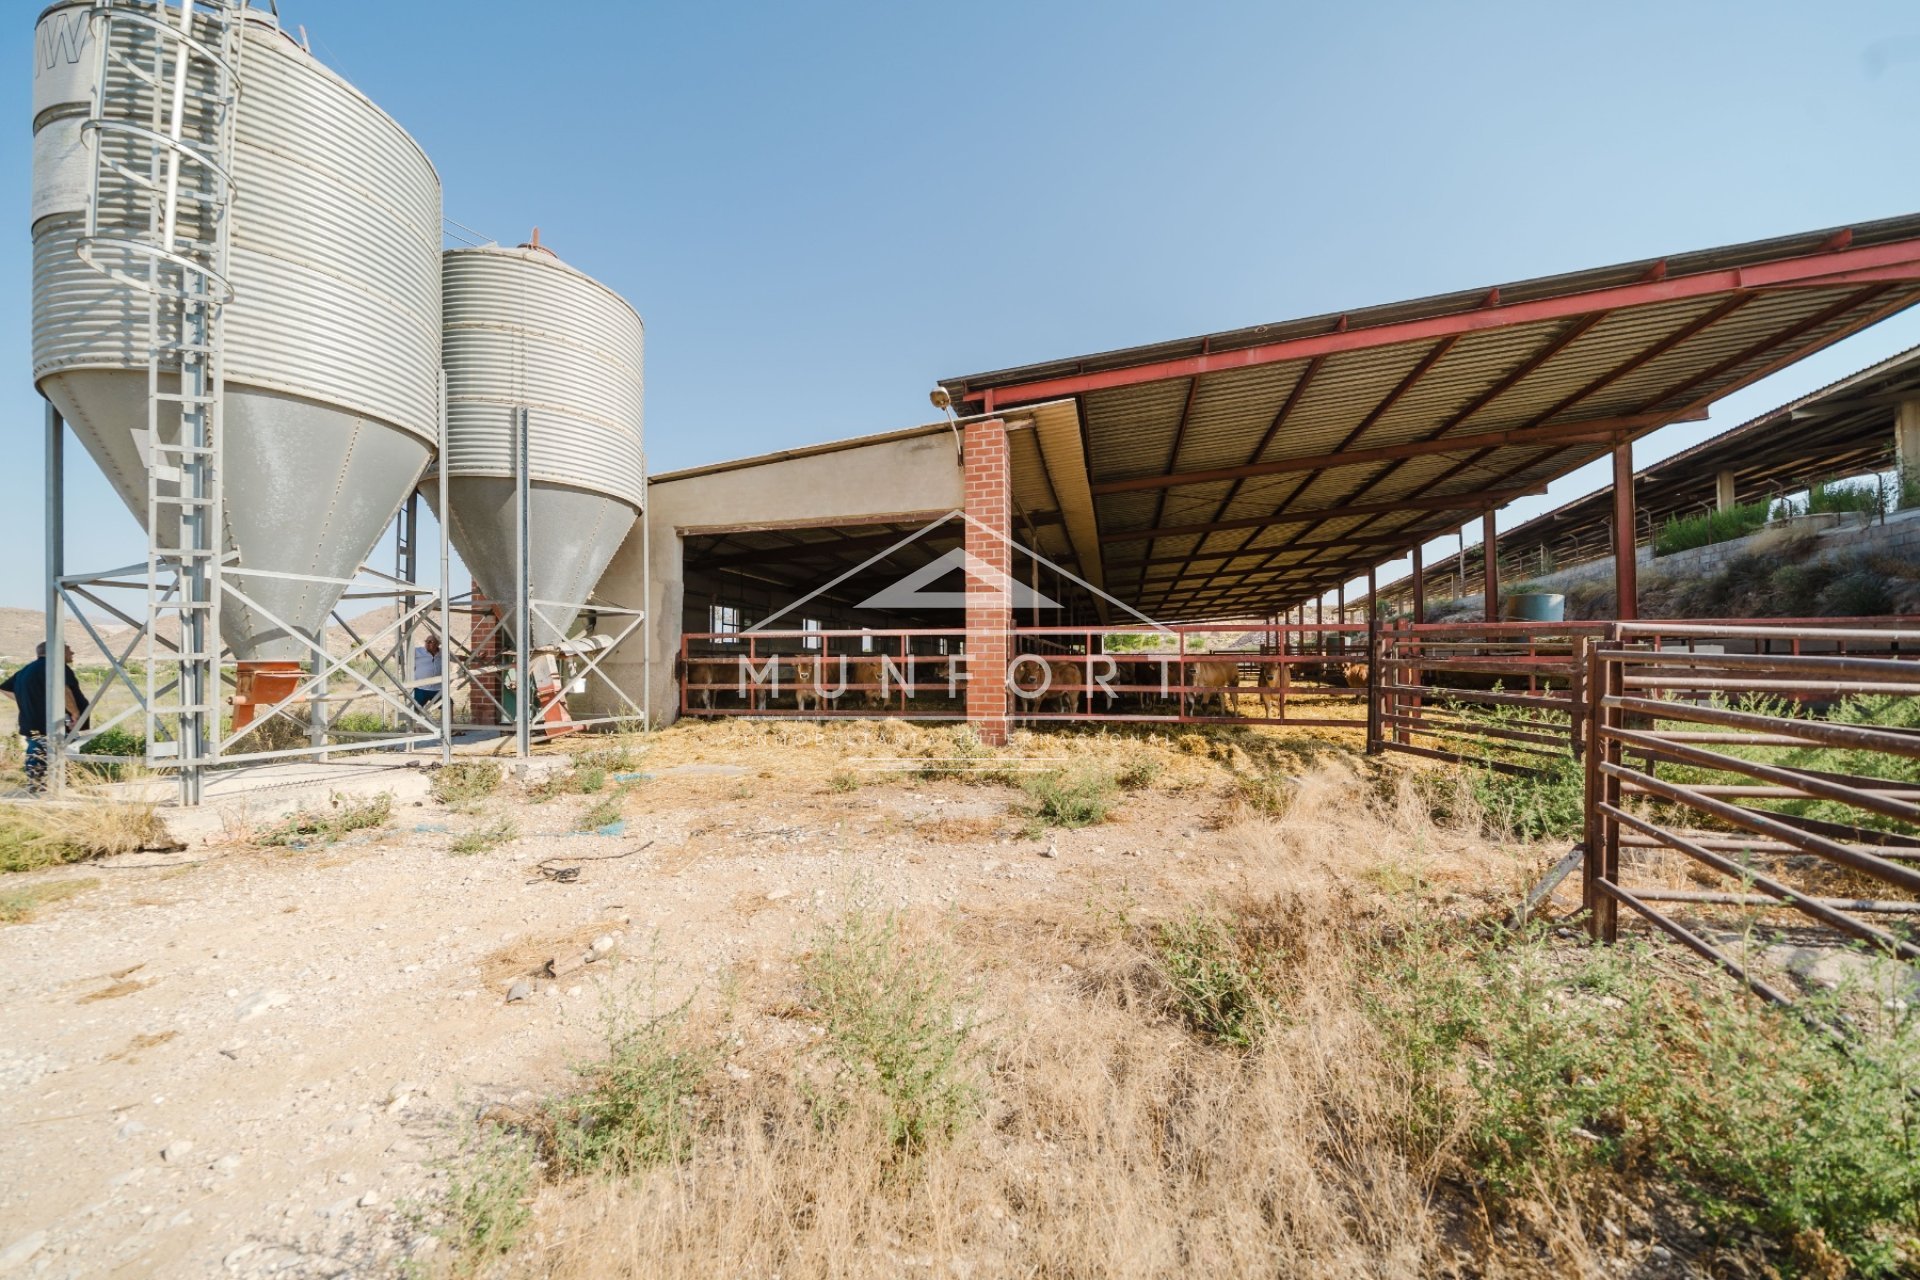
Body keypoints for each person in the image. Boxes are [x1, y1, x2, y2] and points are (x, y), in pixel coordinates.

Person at [1, 643, 89, 793]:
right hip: (57, 722)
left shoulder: (27, 669)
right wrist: (75, 713)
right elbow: (63, 690)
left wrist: (27, 699)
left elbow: (4, 687)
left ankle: (36, 785)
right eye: (68, 650)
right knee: (66, 752)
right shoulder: (56, 666)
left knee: (36, 752)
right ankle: (64, 786)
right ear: (57, 651)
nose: (72, 653)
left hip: (32, 721)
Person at [411, 632, 443, 710]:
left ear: (437, 644)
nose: (427, 643)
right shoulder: (417, 651)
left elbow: (456, 657)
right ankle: (415, 722)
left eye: (430, 642)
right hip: (421, 688)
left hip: (437, 689)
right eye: (426, 641)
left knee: (448, 704)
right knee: (415, 708)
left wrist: (474, 659)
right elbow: (402, 656)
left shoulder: (443, 652)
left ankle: (449, 722)